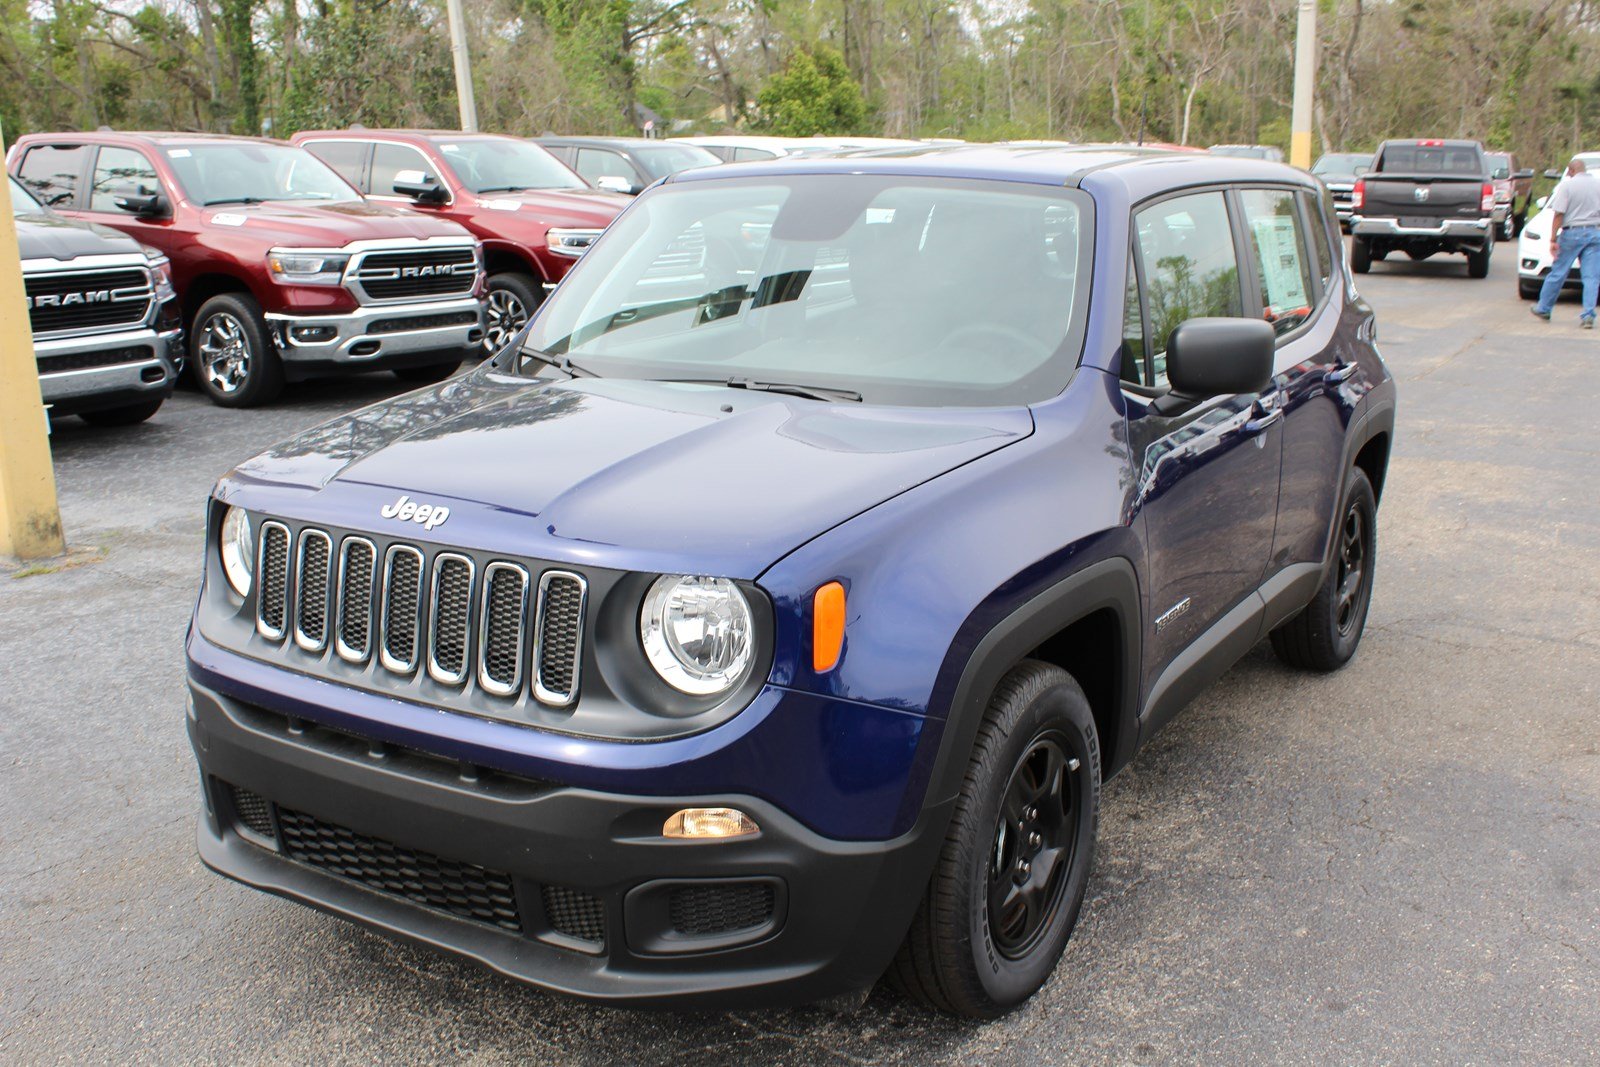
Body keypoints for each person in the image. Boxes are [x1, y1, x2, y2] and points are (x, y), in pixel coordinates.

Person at [1532, 157, 1600, 328]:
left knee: (1558, 272)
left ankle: (1544, 308)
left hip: (1572, 233)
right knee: (1591, 277)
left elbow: (1559, 214)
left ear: (1570, 170)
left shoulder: (1567, 186)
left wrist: (1553, 238)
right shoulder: (1598, 185)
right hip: (1594, 232)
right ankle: (1588, 315)